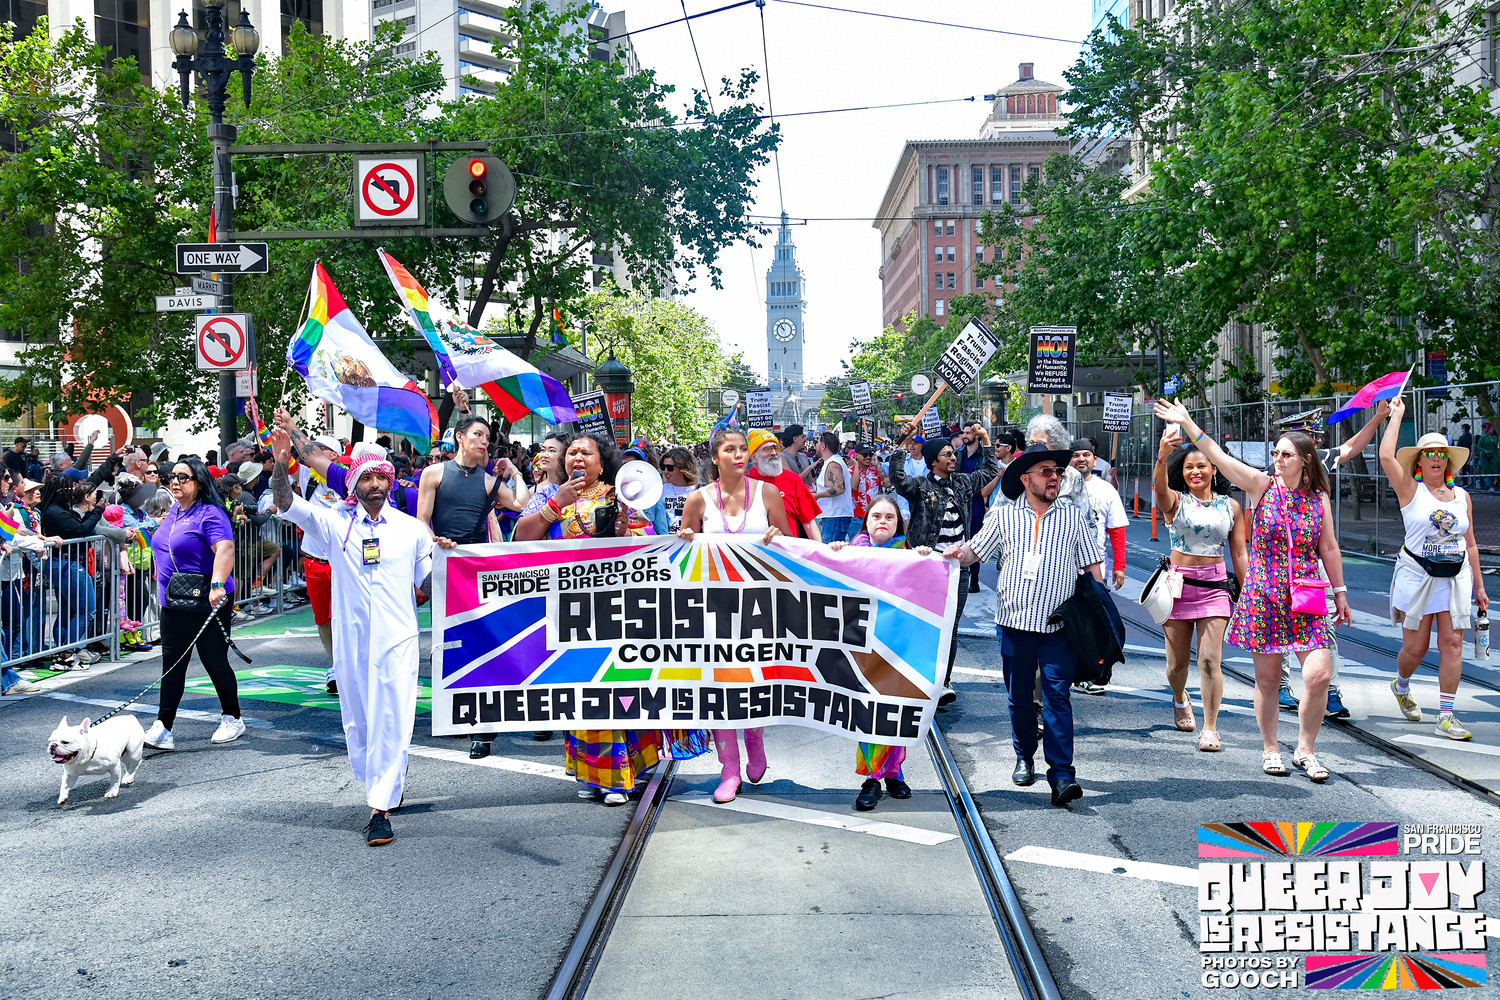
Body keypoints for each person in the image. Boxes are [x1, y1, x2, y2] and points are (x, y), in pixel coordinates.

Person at [1154, 399, 1353, 783]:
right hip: (1266, 593)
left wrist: (1340, 592)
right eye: (1275, 452)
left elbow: (1328, 547)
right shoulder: (1261, 487)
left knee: (1318, 674)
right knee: (1267, 679)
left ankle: (1306, 749)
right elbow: (1217, 455)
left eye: (1286, 454)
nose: (1277, 458)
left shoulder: (1318, 498)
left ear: (1305, 461)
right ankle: (1271, 748)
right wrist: (1190, 422)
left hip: (1308, 594)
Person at [270, 429, 445, 846]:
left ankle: (379, 808)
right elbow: (284, 502)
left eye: (381, 478)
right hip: (351, 645)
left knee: (393, 717)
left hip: (399, 641)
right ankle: (381, 781)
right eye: (366, 478)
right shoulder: (334, 524)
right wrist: (280, 463)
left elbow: (430, 581)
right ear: (353, 485)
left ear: (390, 482)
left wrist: (448, 556)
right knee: (361, 720)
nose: (375, 485)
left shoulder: (411, 530)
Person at [945, 444, 1104, 806]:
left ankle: (1062, 774)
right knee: (1019, 699)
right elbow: (975, 551)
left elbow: (1092, 566)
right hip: (1014, 625)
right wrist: (956, 553)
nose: (1054, 477)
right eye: (1046, 471)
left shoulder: (1072, 517)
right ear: (1025, 478)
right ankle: (1024, 754)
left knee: (1057, 697)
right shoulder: (1003, 517)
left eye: (1057, 472)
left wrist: (1101, 614)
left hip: (1058, 627)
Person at [515, 432, 661, 804]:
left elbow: (651, 542)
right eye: (572, 452)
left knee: (613, 687)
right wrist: (556, 505)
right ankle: (591, 773)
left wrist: (628, 527)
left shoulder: (620, 493)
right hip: (567, 608)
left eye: (587, 452)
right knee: (578, 688)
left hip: (614, 607)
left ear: (601, 461)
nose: (578, 457)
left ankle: (618, 778)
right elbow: (519, 539)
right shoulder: (550, 494)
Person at [676, 426, 791, 803]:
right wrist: (686, 542)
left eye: (743, 449)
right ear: (714, 457)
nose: (740, 455)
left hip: (760, 607)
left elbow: (794, 552)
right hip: (713, 610)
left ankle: (755, 739)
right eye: (730, 449)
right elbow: (677, 557)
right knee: (719, 688)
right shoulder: (697, 500)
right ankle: (730, 769)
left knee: (753, 680)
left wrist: (779, 540)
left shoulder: (769, 493)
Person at [1271, 403, 1388, 718]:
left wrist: (1378, 417)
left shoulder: (1320, 460)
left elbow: (1353, 445)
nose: (1313, 440)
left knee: (1323, 625)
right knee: (1278, 622)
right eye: (1306, 434)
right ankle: (1281, 685)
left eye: (1313, 435)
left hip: (1310, 560)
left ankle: (1330, 691)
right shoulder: (1274, 468)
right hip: (1275, 564)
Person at [1379, 405, 1490, 739]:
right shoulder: (1410, 491)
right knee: (1415, 649)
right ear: (1419, 462)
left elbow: (1470, 544)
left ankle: (1445, 714)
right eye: (1429, 454)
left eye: (1442, 453)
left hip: (1456, 578)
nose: (1437, 459)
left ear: (1448, 461)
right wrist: (1396, 415)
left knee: (1453, 643)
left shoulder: (1462, 497)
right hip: (1418, 577)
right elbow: (1386, 457)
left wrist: (1480, 588)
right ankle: (1401, 685)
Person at [828, 495, 931, 811]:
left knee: (896, 709)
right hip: (862, 647)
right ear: (867, 521)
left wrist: (926, 559)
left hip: (899, 647)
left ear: (899, 523)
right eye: (876, 516)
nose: (883, 521)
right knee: (868, 711)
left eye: (890, 516)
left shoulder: (909, 556)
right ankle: (872, 778)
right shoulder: (852, 553)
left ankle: (894, 772)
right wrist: (829, 556)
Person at [1152, 429, 1249, 750]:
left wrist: (1248, 593)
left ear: (1214, 469)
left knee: (1209, 660)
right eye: (1189, 467)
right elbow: (1160, 490)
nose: (1196, 471)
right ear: (1182, 472)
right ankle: (1180, 697)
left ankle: (1210, 727)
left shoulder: (1231, 507)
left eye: (1202, 466)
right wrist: (1163, 456)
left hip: (1215, 588)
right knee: (1177, 665)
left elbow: (1240, 553)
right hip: (1176, 588)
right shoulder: (1175, 501)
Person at [888, 425, 998, 706]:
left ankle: (943, 682)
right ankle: (917, 677)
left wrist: (985, 440)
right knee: (923, 623)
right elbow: (897, 478)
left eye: (953, 454)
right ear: (932, 460)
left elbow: (988, 472)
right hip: (926, 568)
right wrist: (905, 441)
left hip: (957, 569)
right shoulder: (920, 486)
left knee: (951, 626)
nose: (953, 458)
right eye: (947, 454)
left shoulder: (961, 482)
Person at [142, 457, 244, 750]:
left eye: (183, 477)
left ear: (198, 482)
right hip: (174, 601)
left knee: (214, 660)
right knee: (172, 664)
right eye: (172, 476)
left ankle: (232, 717)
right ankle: (164, 726)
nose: (175, 481)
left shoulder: (210, 513)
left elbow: (224, 548)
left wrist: (216, 585)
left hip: (207, 599)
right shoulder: (175, 510)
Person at [273, 410, 358, 692]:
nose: (313, 452)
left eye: (321, 448)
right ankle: (335, 665)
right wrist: (264, 422)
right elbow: (283, 450)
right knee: (323, 618)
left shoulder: (347, 479)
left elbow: (307, 450)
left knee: (350, 616)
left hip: (345, 560)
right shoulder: (307, 476)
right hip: (315, 561)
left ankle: (355, 663)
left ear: (332, 455)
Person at [745, 429, 822, 541]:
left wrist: (819, 553)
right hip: (754, 553)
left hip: (787, 554)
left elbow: (809, 522)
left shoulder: (793, 480)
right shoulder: (746, 480)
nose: (774, 453)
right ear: (754, 457)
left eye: (776, 448)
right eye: (767, 449)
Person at [958, 422, 993, 594]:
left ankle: (974, 577)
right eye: (963, 433)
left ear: (976, 435)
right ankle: (960, 573)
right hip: (958, 500)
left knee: (974, 538)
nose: (965, 436)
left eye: (968, 433)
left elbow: (990, 469)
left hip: (976, 500)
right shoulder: (958, 454)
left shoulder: (982, 456)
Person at [811, 431, 855, 544]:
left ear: (823, 446)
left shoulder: (833, 464)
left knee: (830, 553)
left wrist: (816, 496)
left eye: (817, 443)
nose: (815, 446)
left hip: (835, 516)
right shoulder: (833, 462)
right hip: (834, 516)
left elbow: (839, 488)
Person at [659, 445, 698, 534]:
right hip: (665, 543)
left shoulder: (698, 491)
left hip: (691, 543)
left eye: (670, 468)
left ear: (682, 468)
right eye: (663, 467)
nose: (665, 471)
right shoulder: (660, 491)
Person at [1477, 421, 1499, 492]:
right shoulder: (1483, 438)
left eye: (1492, 429)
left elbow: (1497, 447)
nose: (1491, 431)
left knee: (1492, 470)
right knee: (1485, 470)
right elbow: (1478, 446)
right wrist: (1484, 450)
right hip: (1484, 456)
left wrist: (1497, 455)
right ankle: (1485, 484)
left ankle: (1492, 486)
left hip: (1493, 455)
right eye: (1490, 429)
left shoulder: (1496, 437)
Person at [1455, 423, 1474, 488]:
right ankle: (1472, 481)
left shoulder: (1462, 437)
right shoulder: (1471, 436)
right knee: (1470, 468)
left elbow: (1458, 446)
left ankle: (1465, 482)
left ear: (1464, 429)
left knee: (1464, 469)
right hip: (1470, 453)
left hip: (1463, 453)